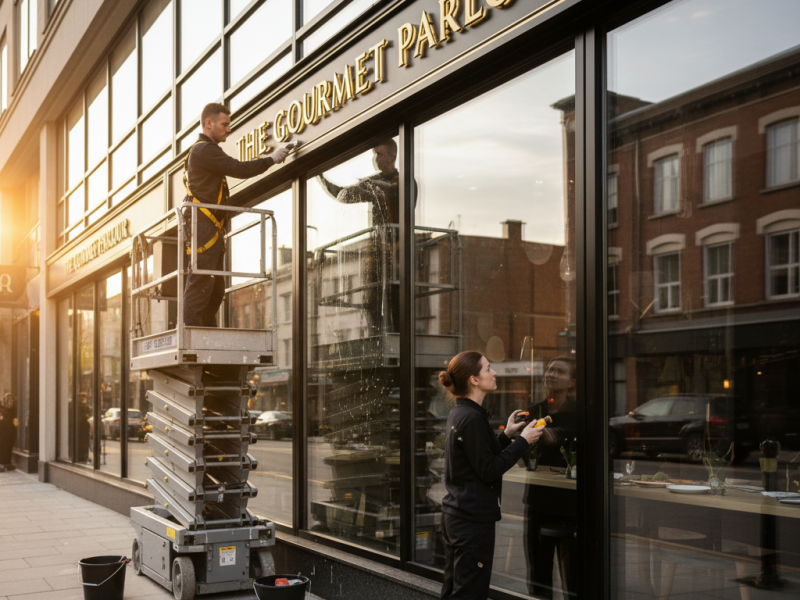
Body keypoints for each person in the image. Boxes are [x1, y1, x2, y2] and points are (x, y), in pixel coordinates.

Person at [439, 351, 545, 600]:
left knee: (454, 591)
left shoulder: (461, 413)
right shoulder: (472, 418)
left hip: (457, 516)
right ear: (474, 380)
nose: (494, 372)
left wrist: (506, 435)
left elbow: (478, 459)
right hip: (471, 522)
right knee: (469, 594)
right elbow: (488, 470)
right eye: (488, 368)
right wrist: (523, 441)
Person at [182, 103, 293, 327]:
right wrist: (272, 159)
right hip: (205, 229)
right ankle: (193, 336)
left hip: (208, 228)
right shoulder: (204, 150)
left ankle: (204, 334)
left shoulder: (202, 151)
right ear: (208, 123)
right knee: (202, 284)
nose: (228, 129)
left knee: (214, 290)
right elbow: (239, 169)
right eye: (225, 124)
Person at [316, 140, 407, 334]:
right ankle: (375, 333)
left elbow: (392, 192)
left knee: (395, 295)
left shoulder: (402, 181)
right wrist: (320, 177)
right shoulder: (374, 182)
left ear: (392, 156)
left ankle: (398, 334)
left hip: (399, 250)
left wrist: (375, 187)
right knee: (371, 295)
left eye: (379, 154)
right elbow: (345, 195)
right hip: (378, 250)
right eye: (374, 154)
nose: (376, 159)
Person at [523, 356, 578, 599]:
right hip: (538, 498)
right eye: (549, 369)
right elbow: (525, 455)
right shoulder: (535, 410)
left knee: (574, 574)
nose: (551, 374)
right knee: (538, 570)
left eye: (559, 371)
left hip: (570, 504)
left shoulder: (579, 413)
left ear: (572, 382)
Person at [0, 393, 18, 469]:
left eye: (10, 400)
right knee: (3, 447)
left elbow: (15, 423)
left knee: (8, 448)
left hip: (9, 432)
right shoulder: (3, 409)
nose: (8, 402)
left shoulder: (12, 410)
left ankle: (7, 463)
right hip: (3, 432)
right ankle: (3, 463)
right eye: (6, 400)